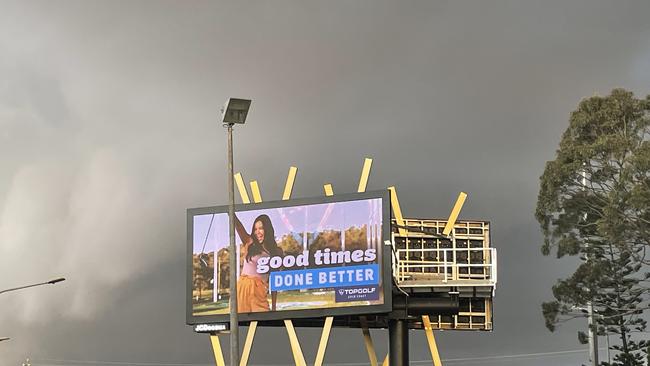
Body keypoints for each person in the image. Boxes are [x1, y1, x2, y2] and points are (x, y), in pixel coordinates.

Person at [234, 214, 283, 312]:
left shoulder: (276, 251)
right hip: (242, 289)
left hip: (259, 292)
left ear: (267, 229)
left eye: (261, 228)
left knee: (264, 321)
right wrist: (230, 213)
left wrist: (274, 307)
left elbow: (274, 281)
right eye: (255, 229)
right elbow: (239, 226)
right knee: (242, 324)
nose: (257, 232)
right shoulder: (249, 242)